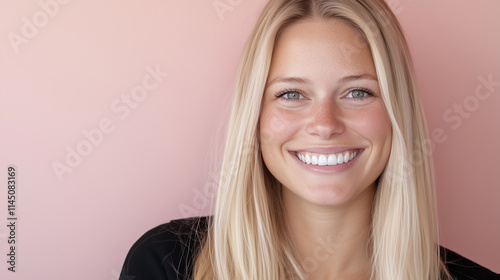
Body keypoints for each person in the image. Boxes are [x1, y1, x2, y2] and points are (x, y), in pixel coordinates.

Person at [120, 0, 500, 279]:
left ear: (398, 113)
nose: (324, 124)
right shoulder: (165, 262)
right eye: (291, 94)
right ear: (254, 115)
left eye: (357, 92)